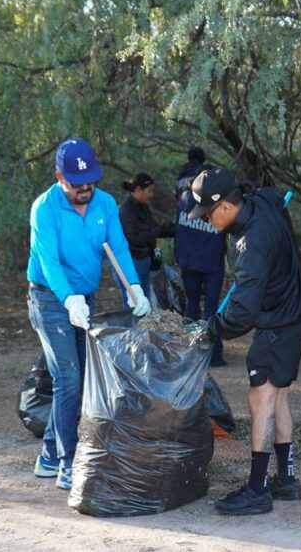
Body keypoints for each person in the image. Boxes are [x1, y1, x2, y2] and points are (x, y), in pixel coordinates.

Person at [26, 137, 151, 491]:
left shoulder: (106, 205)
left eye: (91, 181)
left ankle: (49, 455)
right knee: (68, 377)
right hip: (50, 300)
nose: (85, 189)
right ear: (58, 175)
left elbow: (119, 249)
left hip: (87, 298)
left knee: (82, 378)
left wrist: (134, 288)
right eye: (77, 183)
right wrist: (68, 299)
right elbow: (48, 262)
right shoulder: (44, 209)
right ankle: (68, 463)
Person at [190, 168, 301, 515]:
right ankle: (286, 480)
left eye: (209, 214)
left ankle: (258, 488)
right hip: (296, 311)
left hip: (278, 322)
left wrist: (214, 328)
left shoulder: (251, 244)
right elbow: (276, 198)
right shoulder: (261, 200)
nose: (208, 221)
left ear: (227, 206)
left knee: (260, 400)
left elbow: (242, 312)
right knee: (278, 396)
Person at [175, 148, 228, 366]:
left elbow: (180, 228)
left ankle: (189, 354)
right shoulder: (217, 203)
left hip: (188, 260)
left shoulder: (185, 196)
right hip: (210, 263)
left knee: (191, 306)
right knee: (211, 309)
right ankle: (212, 355)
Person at [116, 172, 176, 305]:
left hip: (144, 260)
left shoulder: (143, 207)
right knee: (134, 304)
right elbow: (134, 237)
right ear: (138, 190)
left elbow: (152, 228)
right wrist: (156, 231)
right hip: (132, 262)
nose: (151, 195)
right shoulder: (126, 211)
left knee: (145, 301)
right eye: (149, 191)